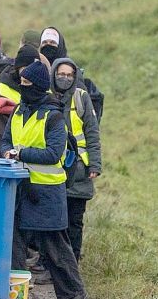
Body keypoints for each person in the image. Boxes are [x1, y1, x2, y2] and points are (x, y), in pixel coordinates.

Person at [2, 61, 86, 299]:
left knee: (56, 253)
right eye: (22, 82)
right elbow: (5, 141)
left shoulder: (54, 116)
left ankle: (74, 295)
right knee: (15, 249)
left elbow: (53, 154)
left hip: (46, 195)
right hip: (19, 191)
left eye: (27, 83)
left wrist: (19, 153)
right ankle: (18, 294)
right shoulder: (19, 110)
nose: (22, 86)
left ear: (38, 86)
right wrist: (9, 151)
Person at [51, 57, 102, 262]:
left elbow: (92, 132)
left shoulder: (81, 97)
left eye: (69, 75)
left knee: (74, 221)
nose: (65, 78)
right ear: (54, 74)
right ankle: (51, 263)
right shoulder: (46, 96)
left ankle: (72, 262)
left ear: (75, 77)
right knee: (53, 221)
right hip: (52, 169)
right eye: (61, 74)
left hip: (79, 170)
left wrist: (95, 164)